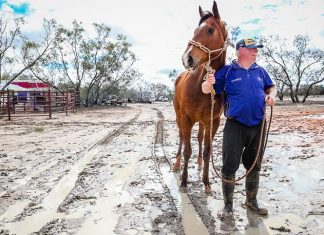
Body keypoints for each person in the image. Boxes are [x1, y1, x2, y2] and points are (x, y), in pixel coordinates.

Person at [201, 38, 277, 217]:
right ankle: (228, 207)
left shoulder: (261, 70)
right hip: (235, 125)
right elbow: (207, 90)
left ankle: (252, 202)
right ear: (240, 50)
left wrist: (271, 96)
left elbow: (271, 87)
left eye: (256, 49)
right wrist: (208, 82)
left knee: (254, 165)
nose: (255, 52)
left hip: (258, 125)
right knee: (229, 167)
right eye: (252, 49)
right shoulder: (227, 72)